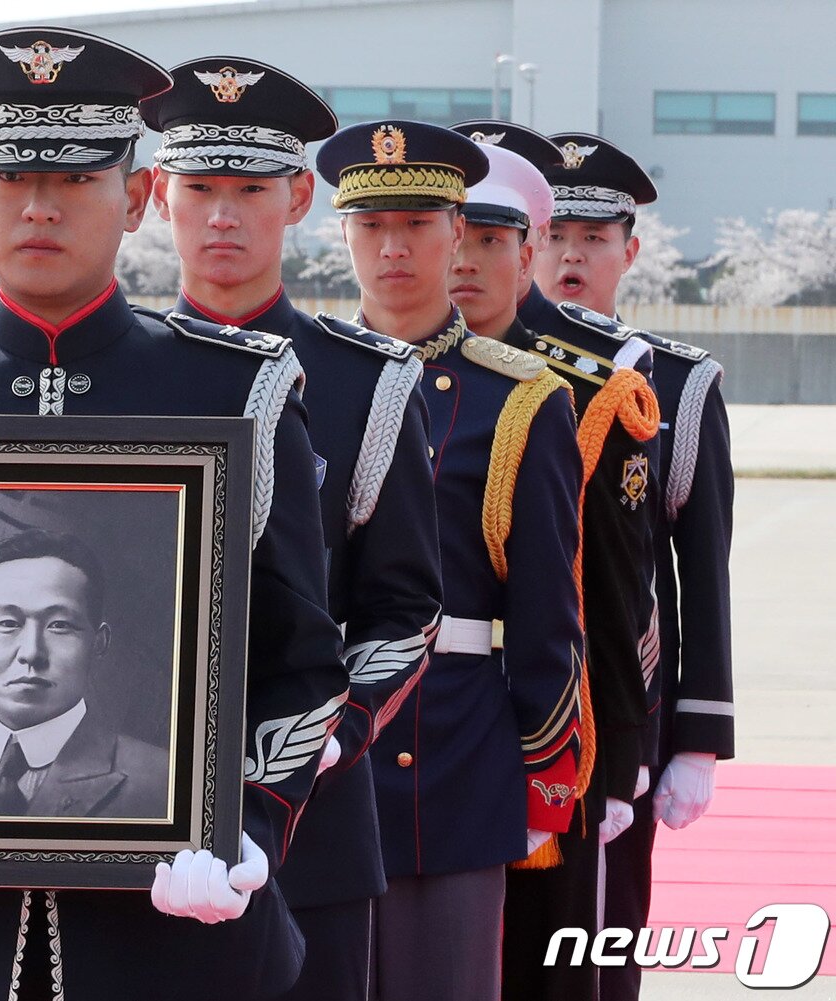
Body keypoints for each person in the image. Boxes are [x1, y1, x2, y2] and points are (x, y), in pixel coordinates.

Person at [0, 26, 349, 1001]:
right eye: (11, 176)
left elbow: (301, 659)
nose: (40, 205)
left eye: (79, 178)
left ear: (135, 197)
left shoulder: (235, 391)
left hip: (172, 943)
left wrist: (246, 824)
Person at [143, 58, 442, 1001]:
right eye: (200, 189)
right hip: (127, 804)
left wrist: (325, 737)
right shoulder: (119, 374)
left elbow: (404, 607)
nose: (222, 216)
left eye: (251, 190)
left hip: (312, 817)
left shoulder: (369, 379)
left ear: (300, 198)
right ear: (157, 196)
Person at [316, 120, 583, 1001]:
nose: (393, 248)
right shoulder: (295, 377)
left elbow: (547, 609)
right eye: (371, 225)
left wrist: (544, 769)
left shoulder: (521, 397)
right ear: (343, 234)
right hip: (305, 744)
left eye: (417, 225)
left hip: (452, 751)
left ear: (457, 229)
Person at [454, 123, 663, 1001]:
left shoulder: (589, 386)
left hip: (551, 729)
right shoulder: (374, 368)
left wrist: (618, 756)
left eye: (489, 240)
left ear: (526, 248)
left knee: (547, 964)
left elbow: (615, 589)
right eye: (449, 233)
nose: (463, 259)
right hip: (419, 723)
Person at [530, 132, 735, 1001]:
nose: (571, 257)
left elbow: (702, 572)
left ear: (631, 251)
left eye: (595, 239)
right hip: (512, 702)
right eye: (556, 237)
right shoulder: (483, 368)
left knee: (598, 941)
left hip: (623, 711)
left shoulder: (677, 384)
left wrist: (700, 736)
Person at [0, 529, 169, 820]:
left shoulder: (165, 788)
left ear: (98, 644)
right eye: (8, 623)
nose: (31, 653)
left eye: (59, 625)